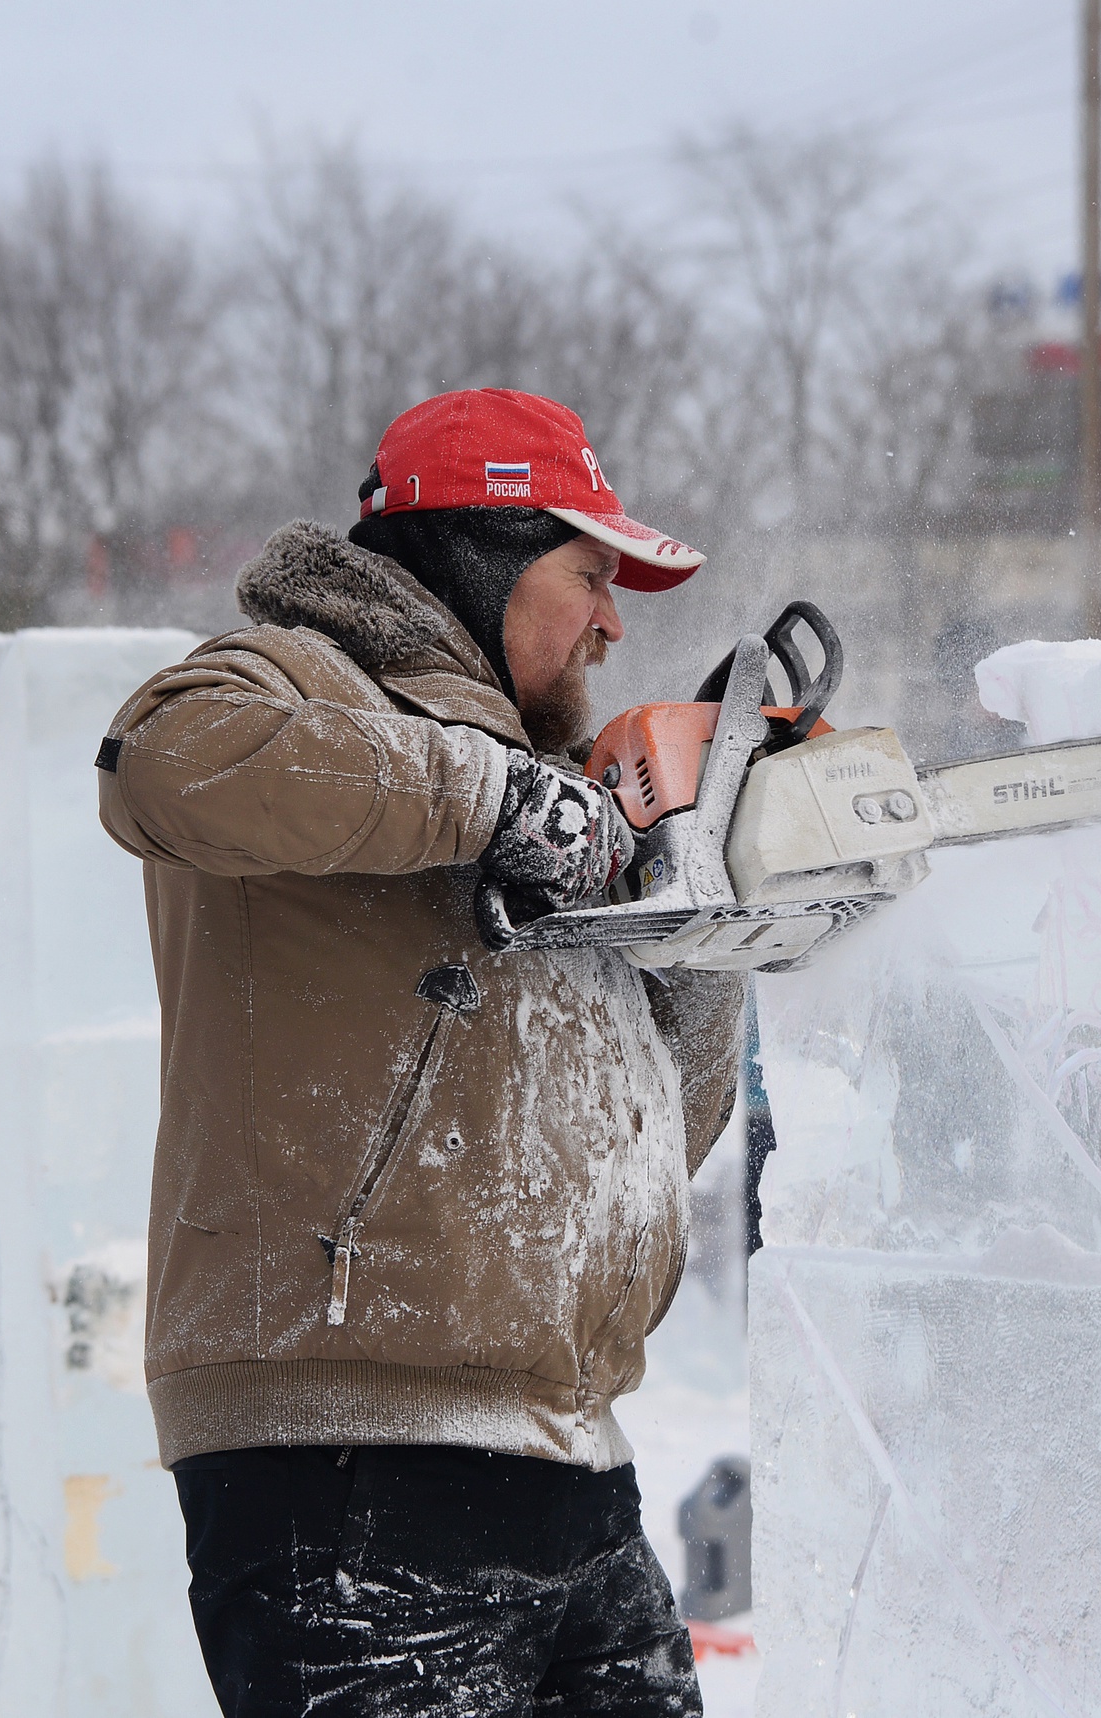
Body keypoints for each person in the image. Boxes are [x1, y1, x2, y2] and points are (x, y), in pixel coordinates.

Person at [98, 387, 748, 1715]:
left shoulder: (567, 811)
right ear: (488, 552)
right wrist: (493, 798)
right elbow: (155, 761)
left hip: (572, 1450)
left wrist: (703, 936)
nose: (616, 619)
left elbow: (653, 1138)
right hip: (349, 1457)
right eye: (589, 575)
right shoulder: (295, 684)